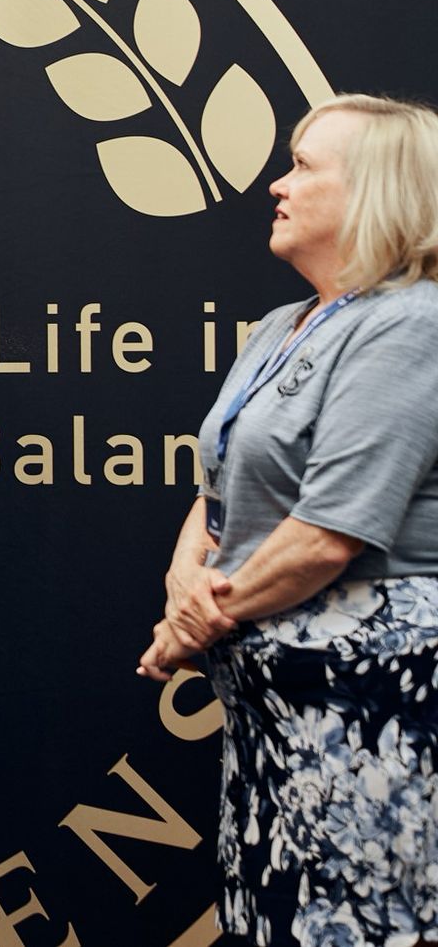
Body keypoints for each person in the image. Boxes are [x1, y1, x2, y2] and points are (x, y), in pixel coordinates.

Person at [138, 95, 438, 947]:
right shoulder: (279, 326)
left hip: (367, 710)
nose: (277, 184)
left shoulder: (414, 324)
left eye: (305, 166)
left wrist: (202, 614)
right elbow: (219, 484)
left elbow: (332, 532)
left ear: (376, 192)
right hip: (272, 715)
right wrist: (184, 587)